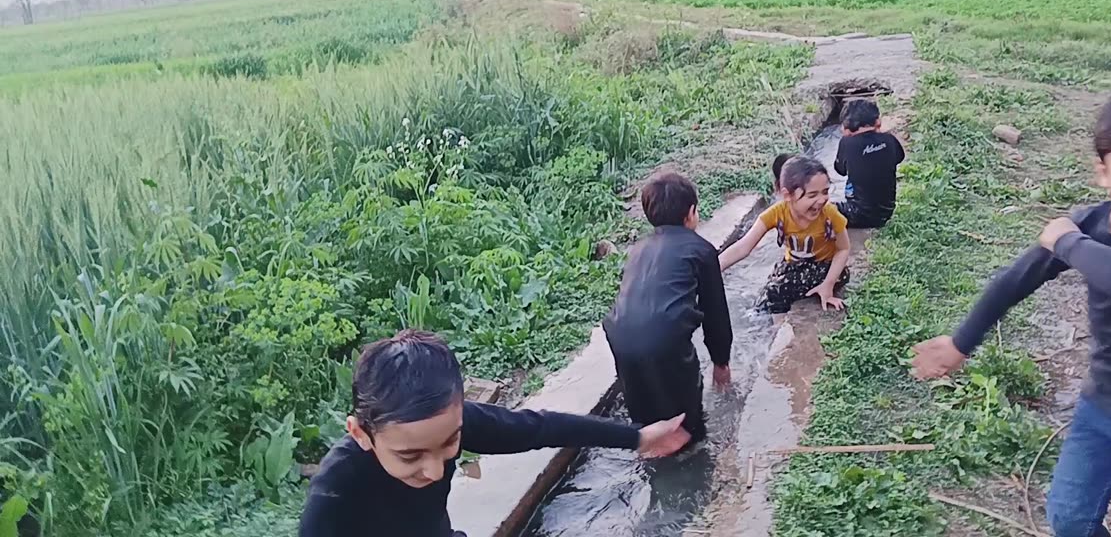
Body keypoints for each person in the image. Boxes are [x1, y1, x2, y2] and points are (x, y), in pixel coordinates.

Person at [911, 87, 1111, 537]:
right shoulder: (1090, 223)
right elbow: (1015, 279)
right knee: (1070, 518)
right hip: (1103, 405)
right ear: (1104, 173)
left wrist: (1065, 241)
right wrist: (961, 343)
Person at [299, 329, 690, 537]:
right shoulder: (335, 493)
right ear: (362, 434)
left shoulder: (453, 424)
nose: (435, 470)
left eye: (450, 443)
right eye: (410, 456)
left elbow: (540, 428)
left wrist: (638, 437)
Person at [603, 172, 731, 444]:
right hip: (666, 340)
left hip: (620, 338)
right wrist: (721, 362)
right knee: (687, 428)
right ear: (691, 212)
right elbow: (715, 313)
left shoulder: (638, 249)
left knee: (646, 429)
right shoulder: (701, 249)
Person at [720, 156, 851, 314]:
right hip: (794, 265)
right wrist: (711, 269)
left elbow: (843, 249)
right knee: (763, 299)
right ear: (787, 195)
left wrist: (828, 285)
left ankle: (778, 322)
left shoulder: (830, 213)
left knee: (776, 292)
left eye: (825, 192)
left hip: (826, 267)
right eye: (812, 195)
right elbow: (743, 247)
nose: (821, 200)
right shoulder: (777, 213)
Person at [833, 99, 904, 229]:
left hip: (858, 214)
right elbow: (899, 158)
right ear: (876, 122)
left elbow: (840, 170)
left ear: (847, 127)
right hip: (886, 212)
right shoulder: (890, 139)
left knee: (818, 209)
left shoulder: (847, 143)